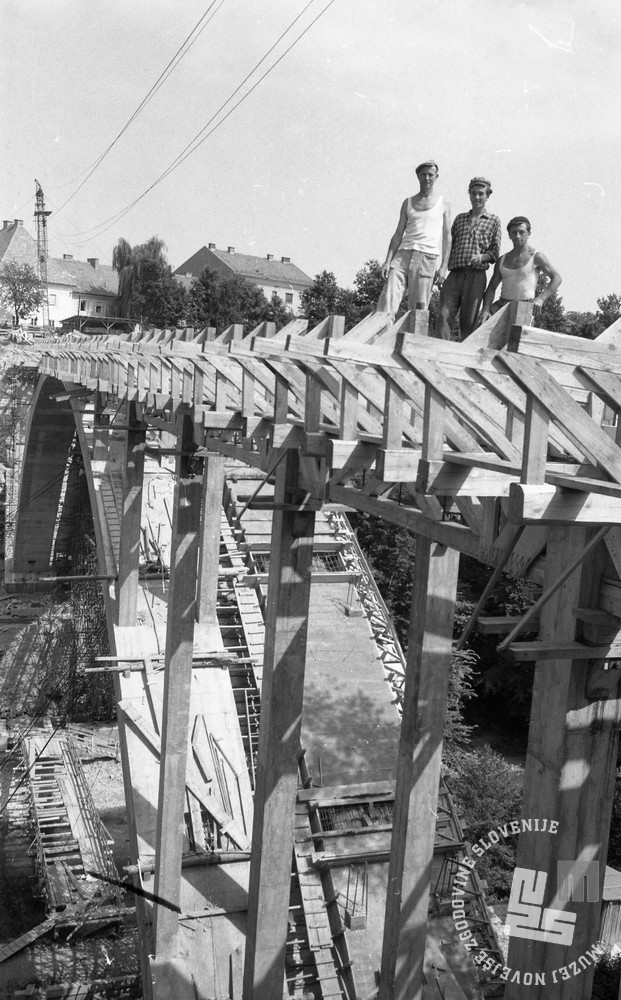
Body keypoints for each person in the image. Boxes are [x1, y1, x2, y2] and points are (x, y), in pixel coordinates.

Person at [376, 160, 451, 320]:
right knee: (386, 301)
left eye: (430, 175)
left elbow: (447, 237)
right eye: (423, 175)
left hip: (427, 257)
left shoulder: (443, 203)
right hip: (402, 255)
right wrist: (387, 261)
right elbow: (397, 234)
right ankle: (380, 338)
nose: (427, 178)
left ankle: (411, 343)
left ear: (436, 177)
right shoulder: (408, 202)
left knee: (418, 309)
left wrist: (444, 267)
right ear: (418, 177)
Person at [435, 177, 500, 340]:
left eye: (481, 194)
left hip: (476, 277)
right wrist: (442, 269)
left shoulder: (494, 221)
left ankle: (463, 361)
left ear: (488, 196)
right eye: (473, 193)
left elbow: (495, 253)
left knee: (469, 323)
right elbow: (448, 246)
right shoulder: (459, 219)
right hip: (455, 274)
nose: (477, 197)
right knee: (443, 315)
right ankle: (440, 354)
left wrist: (482, 257)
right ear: (469, 195)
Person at [478, 216, 562, 323]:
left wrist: (540, 299)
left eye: (521, 232)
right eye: (514, 232)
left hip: (524, 306)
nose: (517, 236)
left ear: (529, 233)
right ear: (509, 235)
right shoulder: (502, 260)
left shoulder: (536, 256)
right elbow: (491, 288)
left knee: (516, 336)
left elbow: (557, 278)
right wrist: (485, 309)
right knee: (480, 323)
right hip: (502, 304)